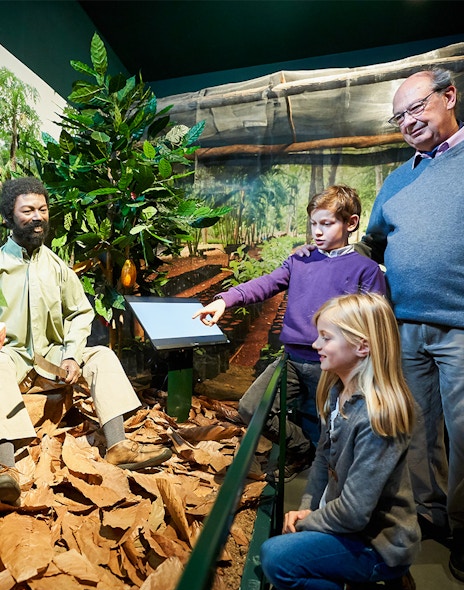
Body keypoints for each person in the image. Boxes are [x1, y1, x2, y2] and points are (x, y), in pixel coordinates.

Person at [193, 185, 386, 481]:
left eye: (327, 223)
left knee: (334, 427)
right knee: (251, 406)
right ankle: (301, 450)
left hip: (337, 367)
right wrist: (224, 300)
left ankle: (331, 485)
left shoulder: (366, 270)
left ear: (351, 223)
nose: (317, 232)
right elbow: (266, 284)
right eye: (313, 224)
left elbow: (375, 324)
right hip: (292, 360)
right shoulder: (300, 260)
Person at [0, 177, 172, 505]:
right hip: (11, 360)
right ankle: (4, 468)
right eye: (27, 211)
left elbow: (80, 314)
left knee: (102, 357)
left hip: (51, 361)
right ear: (9, 216)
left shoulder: (56, 267)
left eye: (43, 209)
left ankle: (118, 445)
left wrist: (71, 356)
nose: (37, 217)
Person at [361, 67, 464, 582]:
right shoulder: (398, 179)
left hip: (461, 327)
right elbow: (373, 243)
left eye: (416, 108)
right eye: (399, 116)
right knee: (416, 429)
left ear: (449, 96)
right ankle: (432, 516)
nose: (408, 121)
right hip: (406, 328)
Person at [260, 293, 421, 590]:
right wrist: (307, 508)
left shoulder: (378, 418)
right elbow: (322, 461)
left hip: (378, 540)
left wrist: (308, 523)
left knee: (275, 559)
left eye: (326, 337)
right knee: (287, 549)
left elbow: (354, 513)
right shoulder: (338, 390)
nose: (316, 344)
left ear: (362, 347)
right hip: (348, 523)